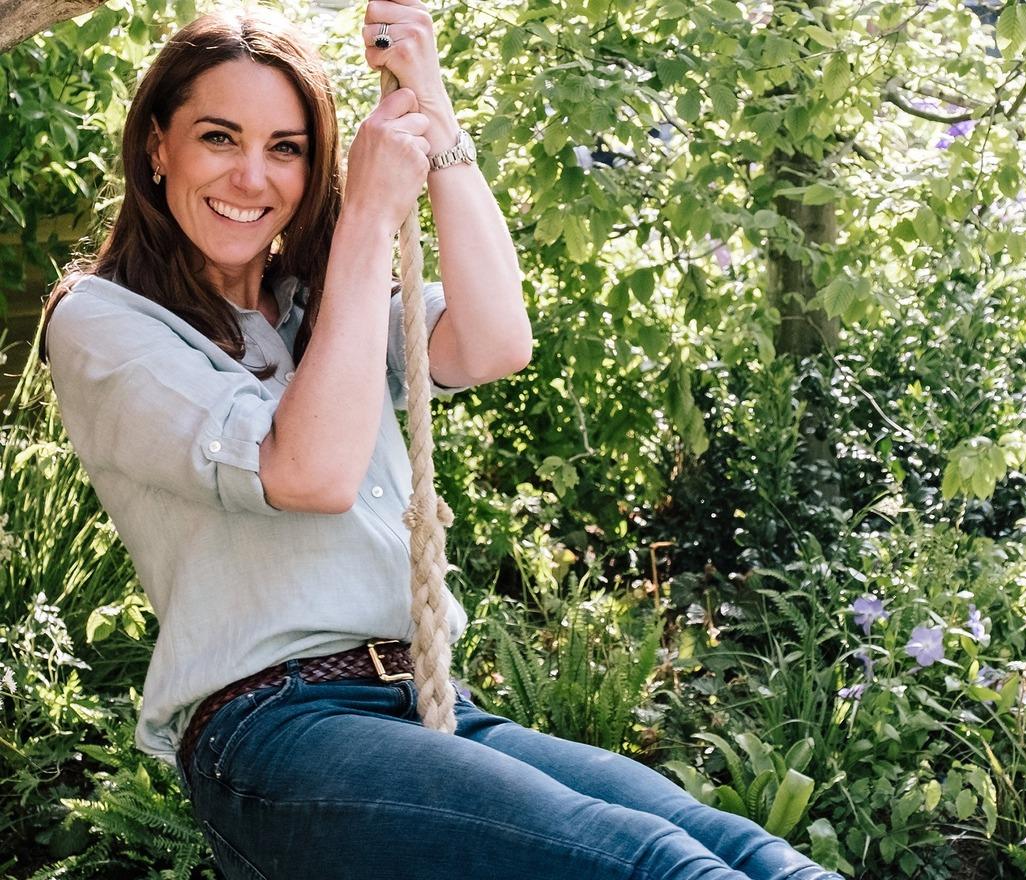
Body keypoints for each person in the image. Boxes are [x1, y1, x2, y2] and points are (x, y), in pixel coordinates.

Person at [37, 5, 843, 879]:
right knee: (650, 865)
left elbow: (494, 340)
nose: (253, 175)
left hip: (423, 702)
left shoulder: (319, 307)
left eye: (287, 148)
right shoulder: (103, 323)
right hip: (275, 727)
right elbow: (307, 472)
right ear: (158, 146)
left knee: (744, 851)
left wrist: (434, 104)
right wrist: (369, 218)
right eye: (219, 137)